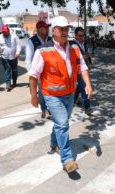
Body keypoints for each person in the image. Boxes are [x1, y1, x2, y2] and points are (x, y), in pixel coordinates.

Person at [28, 16, 93, 173]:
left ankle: (53, 142)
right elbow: (33, 75)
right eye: (62, 29)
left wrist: (88, 85)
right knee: (63, 124)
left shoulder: (74, 48)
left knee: (60, 123)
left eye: (67, 29)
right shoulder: (43, 51)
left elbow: (82, 68)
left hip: (70, 94)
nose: (65, 32)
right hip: (52, 95)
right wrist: (34, 96)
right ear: (54, 30)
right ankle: (67, 159)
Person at [26, 20, 53, 119]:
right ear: (39, 29)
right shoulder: (31, 41)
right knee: (42, 91)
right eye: (45, 27)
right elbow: (28, 59)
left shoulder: (51, 40)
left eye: (47, 27)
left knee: (50, 90)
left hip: (51, 71)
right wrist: (32, 75)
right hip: (39, 72)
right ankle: (44, 109)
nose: (47, 29)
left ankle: (51, 107)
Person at [71, 27, 93, 116]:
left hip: (83, 69)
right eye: (79, 35)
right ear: (75, 35)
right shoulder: (72, 44)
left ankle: (74, 99)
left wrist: (89, 61)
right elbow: (75, 58)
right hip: (75, 69)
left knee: (80, 86)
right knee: (84, 87)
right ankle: (87, 106)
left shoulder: (84, 43)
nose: (81, 37)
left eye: (82, 35)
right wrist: (84, 57)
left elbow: (86, 53)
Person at [0, 25, 21, 91]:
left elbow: (18, 45)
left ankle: (14, 82)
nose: (5, 33)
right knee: (7, 70)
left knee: (14, 70)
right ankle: (8, 84)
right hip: (4, 57)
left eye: (6, 32)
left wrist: (18, 52)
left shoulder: (14, 36)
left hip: (14, 57)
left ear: (8, 31)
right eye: (3, 32)